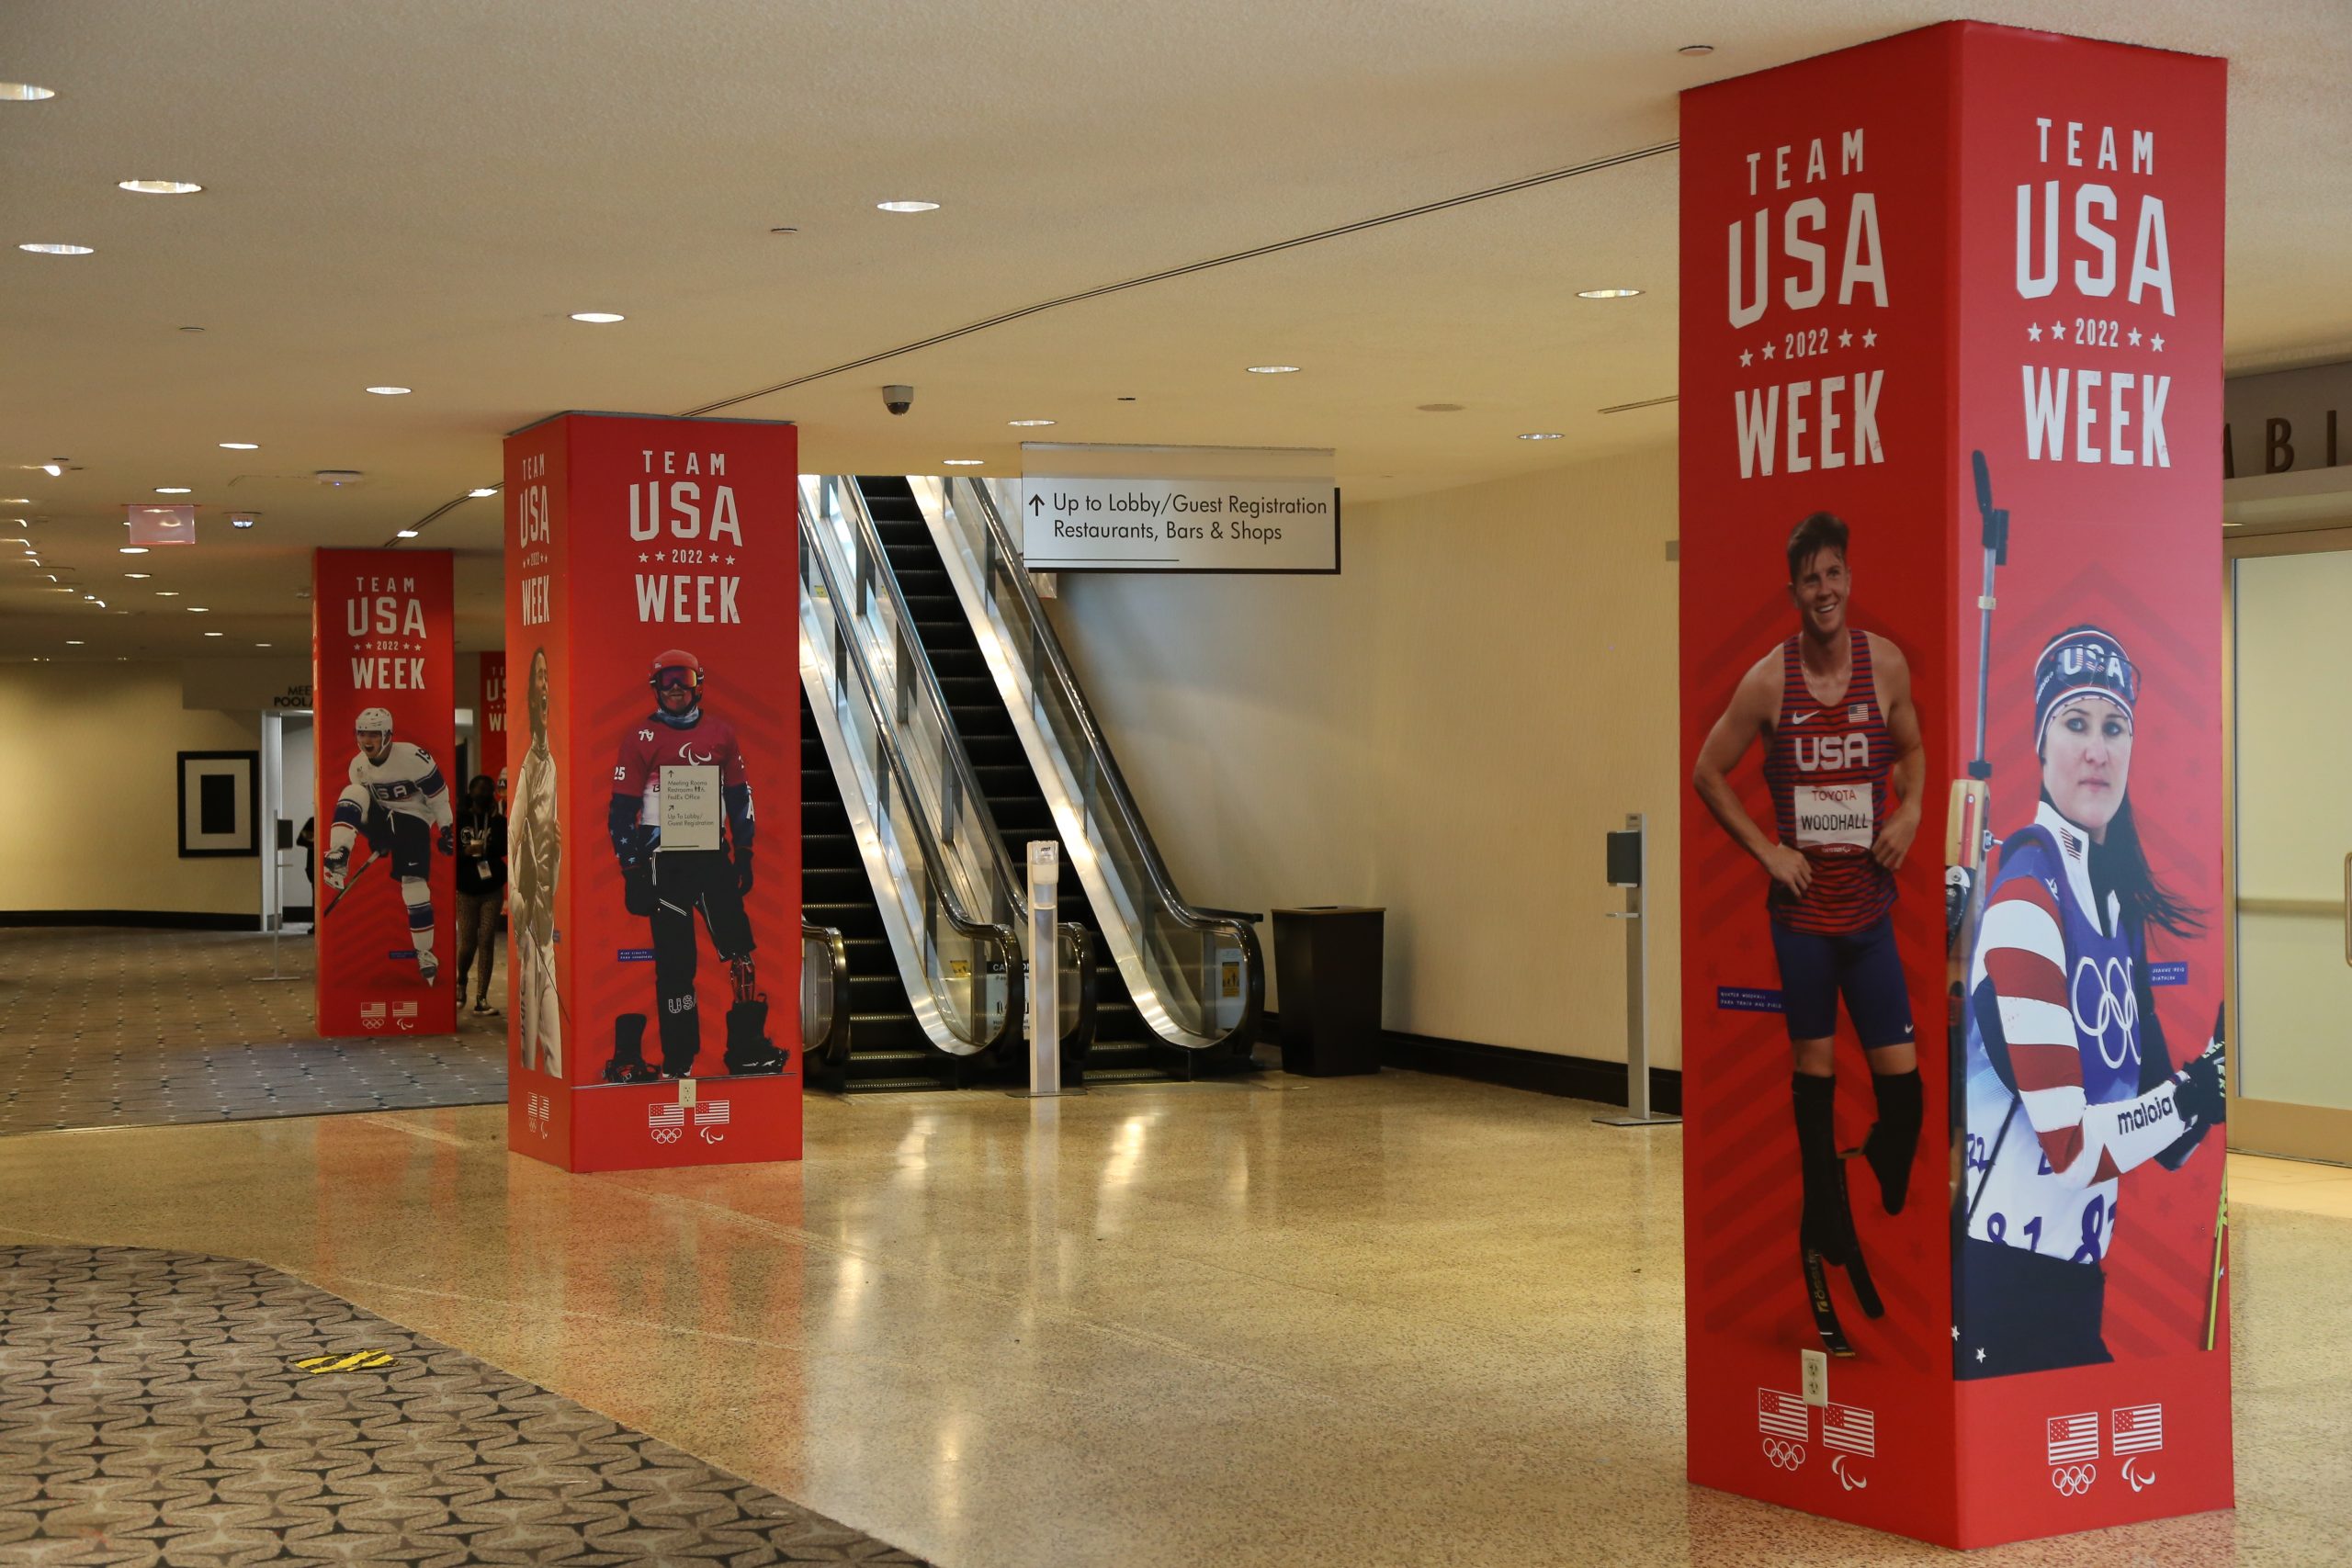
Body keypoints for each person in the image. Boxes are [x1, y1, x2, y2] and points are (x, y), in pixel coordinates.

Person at [1957, 626, 2225, 1376]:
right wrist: (2190, 1095)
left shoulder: (2113, 907)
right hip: (2005, 1286)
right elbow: (2072, 1149)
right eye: (2076, 724)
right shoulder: (2025, 901)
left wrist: (2215, 1080)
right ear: (2042, 746)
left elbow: (2164, 1132)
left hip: (2076, 1283)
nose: (2097, 750)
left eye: (2114, 727)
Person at [1690, 513, 1928, 1298]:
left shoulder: (1883, 665)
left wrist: (1909, 810)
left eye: (1834, 573)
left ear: (1849, 580)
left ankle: (1881, 1160)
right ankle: (1826, 1216)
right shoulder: (1767, 680)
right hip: (1802, 923)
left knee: (1906, 1093)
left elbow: (1915, 750)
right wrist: (1768, 849)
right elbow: (1707, 771)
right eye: (1809, 577)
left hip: (1867, 915)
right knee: (1814, 1072)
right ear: (1792, 589)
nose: (1823, 589)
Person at [603, 648, 784, 1081]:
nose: (676, 688)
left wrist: (746, 853)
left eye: (683, 678)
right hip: (664, 867)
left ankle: (746, 1048)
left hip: (712, 860)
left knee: (740, 955)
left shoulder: (721, 733)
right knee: (676, 969)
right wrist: (631, 872)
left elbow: (740, 798)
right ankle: (679, 1059)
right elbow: (620, 811)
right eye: (666, 681)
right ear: (655, 689)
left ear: (699, 682)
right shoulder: (640, 738)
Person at [322, 706, 453, 986]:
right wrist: (378, 837)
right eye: (362, 733)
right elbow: (366, 805)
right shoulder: (358, 765)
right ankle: (338, 856)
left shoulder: (414, 759)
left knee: (414, 885)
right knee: (352, 791)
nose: (367, 740)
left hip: (414, 818)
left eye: (374, 733)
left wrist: (446, 828)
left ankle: (424, 952)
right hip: (383, 816)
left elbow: (439, 798)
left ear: (388, 735)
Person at [510, 648, 563, 1073]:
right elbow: (513, 835)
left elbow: (550, 853)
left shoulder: (554, 766)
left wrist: (558, 853)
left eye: (548, 677)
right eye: (539, 679)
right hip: (529, 925)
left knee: (554, 1047)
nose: (545, 686)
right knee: (530, 1045)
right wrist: (514, 894)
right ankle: (536, 1105)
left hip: (547, 923)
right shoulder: (529, 767)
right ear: (531, 698)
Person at [454, 773, 508, 1015]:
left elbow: (506, 847)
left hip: (491, 888)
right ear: (471, 791)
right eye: (480, 789)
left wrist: (488, 846)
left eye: (489, 790)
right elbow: (448, 850)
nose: (484, 794)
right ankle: (461, 980)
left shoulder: (497, 821)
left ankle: (481, 999)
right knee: (468, 942)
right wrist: (465, 852)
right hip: (466, 889)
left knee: (487, 939)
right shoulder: (459, 819)